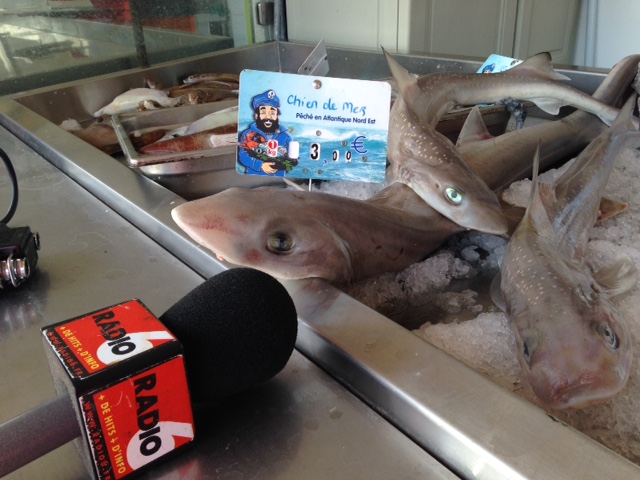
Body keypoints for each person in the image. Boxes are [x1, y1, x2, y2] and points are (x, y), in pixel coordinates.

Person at [237, 90, 297, 176]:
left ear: (277, 116)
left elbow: (292, 161)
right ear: (256, 115)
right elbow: (243, 156)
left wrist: (279, 165)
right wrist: (260, 165)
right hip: (252, 178)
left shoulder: (286, 137)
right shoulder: (247, 134)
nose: (268, 116)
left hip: (279, 181)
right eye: (263, 112)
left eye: (272, 112)